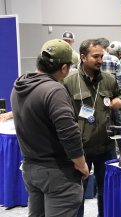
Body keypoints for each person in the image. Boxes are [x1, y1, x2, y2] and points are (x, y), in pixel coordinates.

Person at [10, 39, 89, 217]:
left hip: (31, 169)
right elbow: (69, 132)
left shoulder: (19, 85)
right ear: (63, 68)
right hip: (57, 173)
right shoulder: (54, 90)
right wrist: (81, 164)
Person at [63, 38, 121, 217]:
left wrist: (119, 101)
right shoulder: (68, 83)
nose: (101, 60)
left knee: (107, 191)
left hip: (106, 147)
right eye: (96, 56)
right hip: (80, 149)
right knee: (78, 194)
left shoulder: (108, 79)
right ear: (83, 57)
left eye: (102, 56)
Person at [99, 38, 121, 152]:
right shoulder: (115, 60)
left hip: (98, 98)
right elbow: (120, 81)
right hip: (113, 98)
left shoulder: (95, 60)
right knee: (118, 126)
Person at [108, 41, 121, 125]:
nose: (112, 57)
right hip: (113, 97)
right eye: (111, 54)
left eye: (114, 54)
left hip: (120, 98)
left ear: (120, 54)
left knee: (119, 123)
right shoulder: (112, 63)